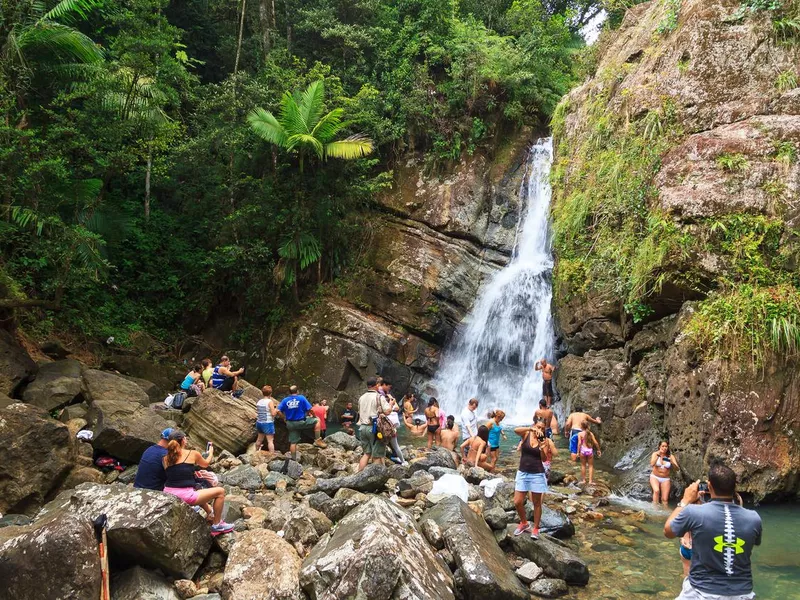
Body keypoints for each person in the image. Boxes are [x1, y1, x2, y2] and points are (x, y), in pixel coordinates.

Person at [665, 462, 762, 600]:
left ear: (709, 486)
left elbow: (668, 531)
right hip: (742, 594)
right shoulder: (754, 518)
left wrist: (685, 501)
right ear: (735, 487)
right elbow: (754, 543)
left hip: (701, 592)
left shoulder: (694, 512)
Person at [161, 430, 233, 534]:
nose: (186, 440)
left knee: (197, 487)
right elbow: (205, 464)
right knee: (220, 492)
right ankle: (217, 525)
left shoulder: (165, 458)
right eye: (185, 438)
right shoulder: (192, 453)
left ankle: (209, 512)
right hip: (185, 495)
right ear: (183, 440)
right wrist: (211, 453)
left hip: (168, 492)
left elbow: (176, 473)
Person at [512, 422, 552, 539]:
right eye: (538, 426)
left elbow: (544, 458)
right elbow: (516, 429)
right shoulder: (526, 434)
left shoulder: (544, 440)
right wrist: (531, 429)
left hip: (537, 474)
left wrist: (541, 445)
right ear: (534, 426)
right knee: (517, 501)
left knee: (536, 503)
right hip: (523, 472)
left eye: (542, 428)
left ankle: (536, 529)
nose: (539, 429)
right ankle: (524, 523)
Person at [277, 385, 326, 461]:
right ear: (297, 391)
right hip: (301, 422)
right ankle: (317, 440)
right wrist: (314, 416)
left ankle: (293, 460)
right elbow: (310, 409)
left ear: (289, 392)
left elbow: (278, 411)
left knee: (293, 443)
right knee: (317, 421)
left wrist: (284, 418)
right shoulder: (301, 398)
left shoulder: (285, 400)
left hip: (291, 424)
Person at [357, 377, 391, 471]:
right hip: (374, 429)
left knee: (366, 454)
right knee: (377, 455)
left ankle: (359, 476)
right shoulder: (379, 397)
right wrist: (391, 404)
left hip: (362, 427)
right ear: (376, 385)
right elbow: (387, 411)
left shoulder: (361, 397)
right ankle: (375, 480)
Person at [651, 440, 680, 506]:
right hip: (655, 477)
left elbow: (677, 469)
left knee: (665, 499)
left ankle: (664, 513)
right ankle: (655, 509)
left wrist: (672, 462)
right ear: (659, 447)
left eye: (666, 446)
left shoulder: (670, 456)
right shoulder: (655, 454)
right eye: (663, 446)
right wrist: (658, 455)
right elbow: (652, 464)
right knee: (656, 491)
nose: (664, 448)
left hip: (665, 479)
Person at [255, 385, 277, 452]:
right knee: (270, 441)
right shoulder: (269, 401)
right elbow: (273, 413)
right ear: (271, 393)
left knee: (259, 440)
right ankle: (272, 455)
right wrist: (276, 410)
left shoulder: (259, 401)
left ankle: (256, 452)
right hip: (267, 423)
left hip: (259, 422)